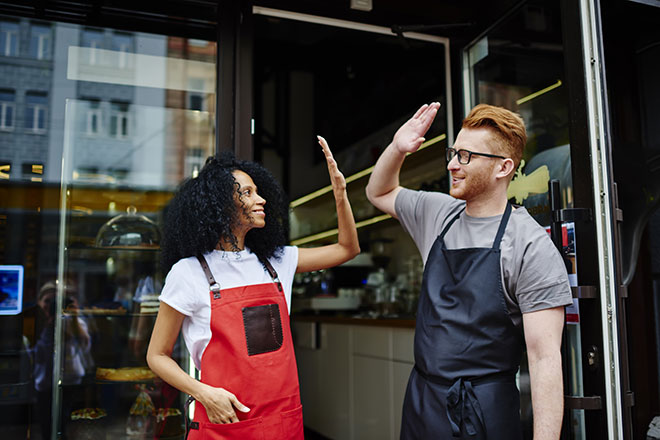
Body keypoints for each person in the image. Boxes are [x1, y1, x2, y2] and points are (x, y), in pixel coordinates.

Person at [365, 103, 573, 440]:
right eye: (453, 153)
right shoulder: (437, 213)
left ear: (503, 167)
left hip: (485, 412)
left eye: (465, 156)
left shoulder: (530, 246)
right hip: (422, 401)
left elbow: (545, 359)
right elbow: (379, 192)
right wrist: (397, 148)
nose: (451, 164)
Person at [146, 137, 359, 439]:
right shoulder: (189, 273)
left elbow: (347, 249)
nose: (261, 200)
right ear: (220, 205)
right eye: (247, 193)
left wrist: (341, 194)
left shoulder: (277, 261)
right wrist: (205, 393)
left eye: (258, 191)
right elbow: (157, 355)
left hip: (281, 421)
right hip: (225, 422)